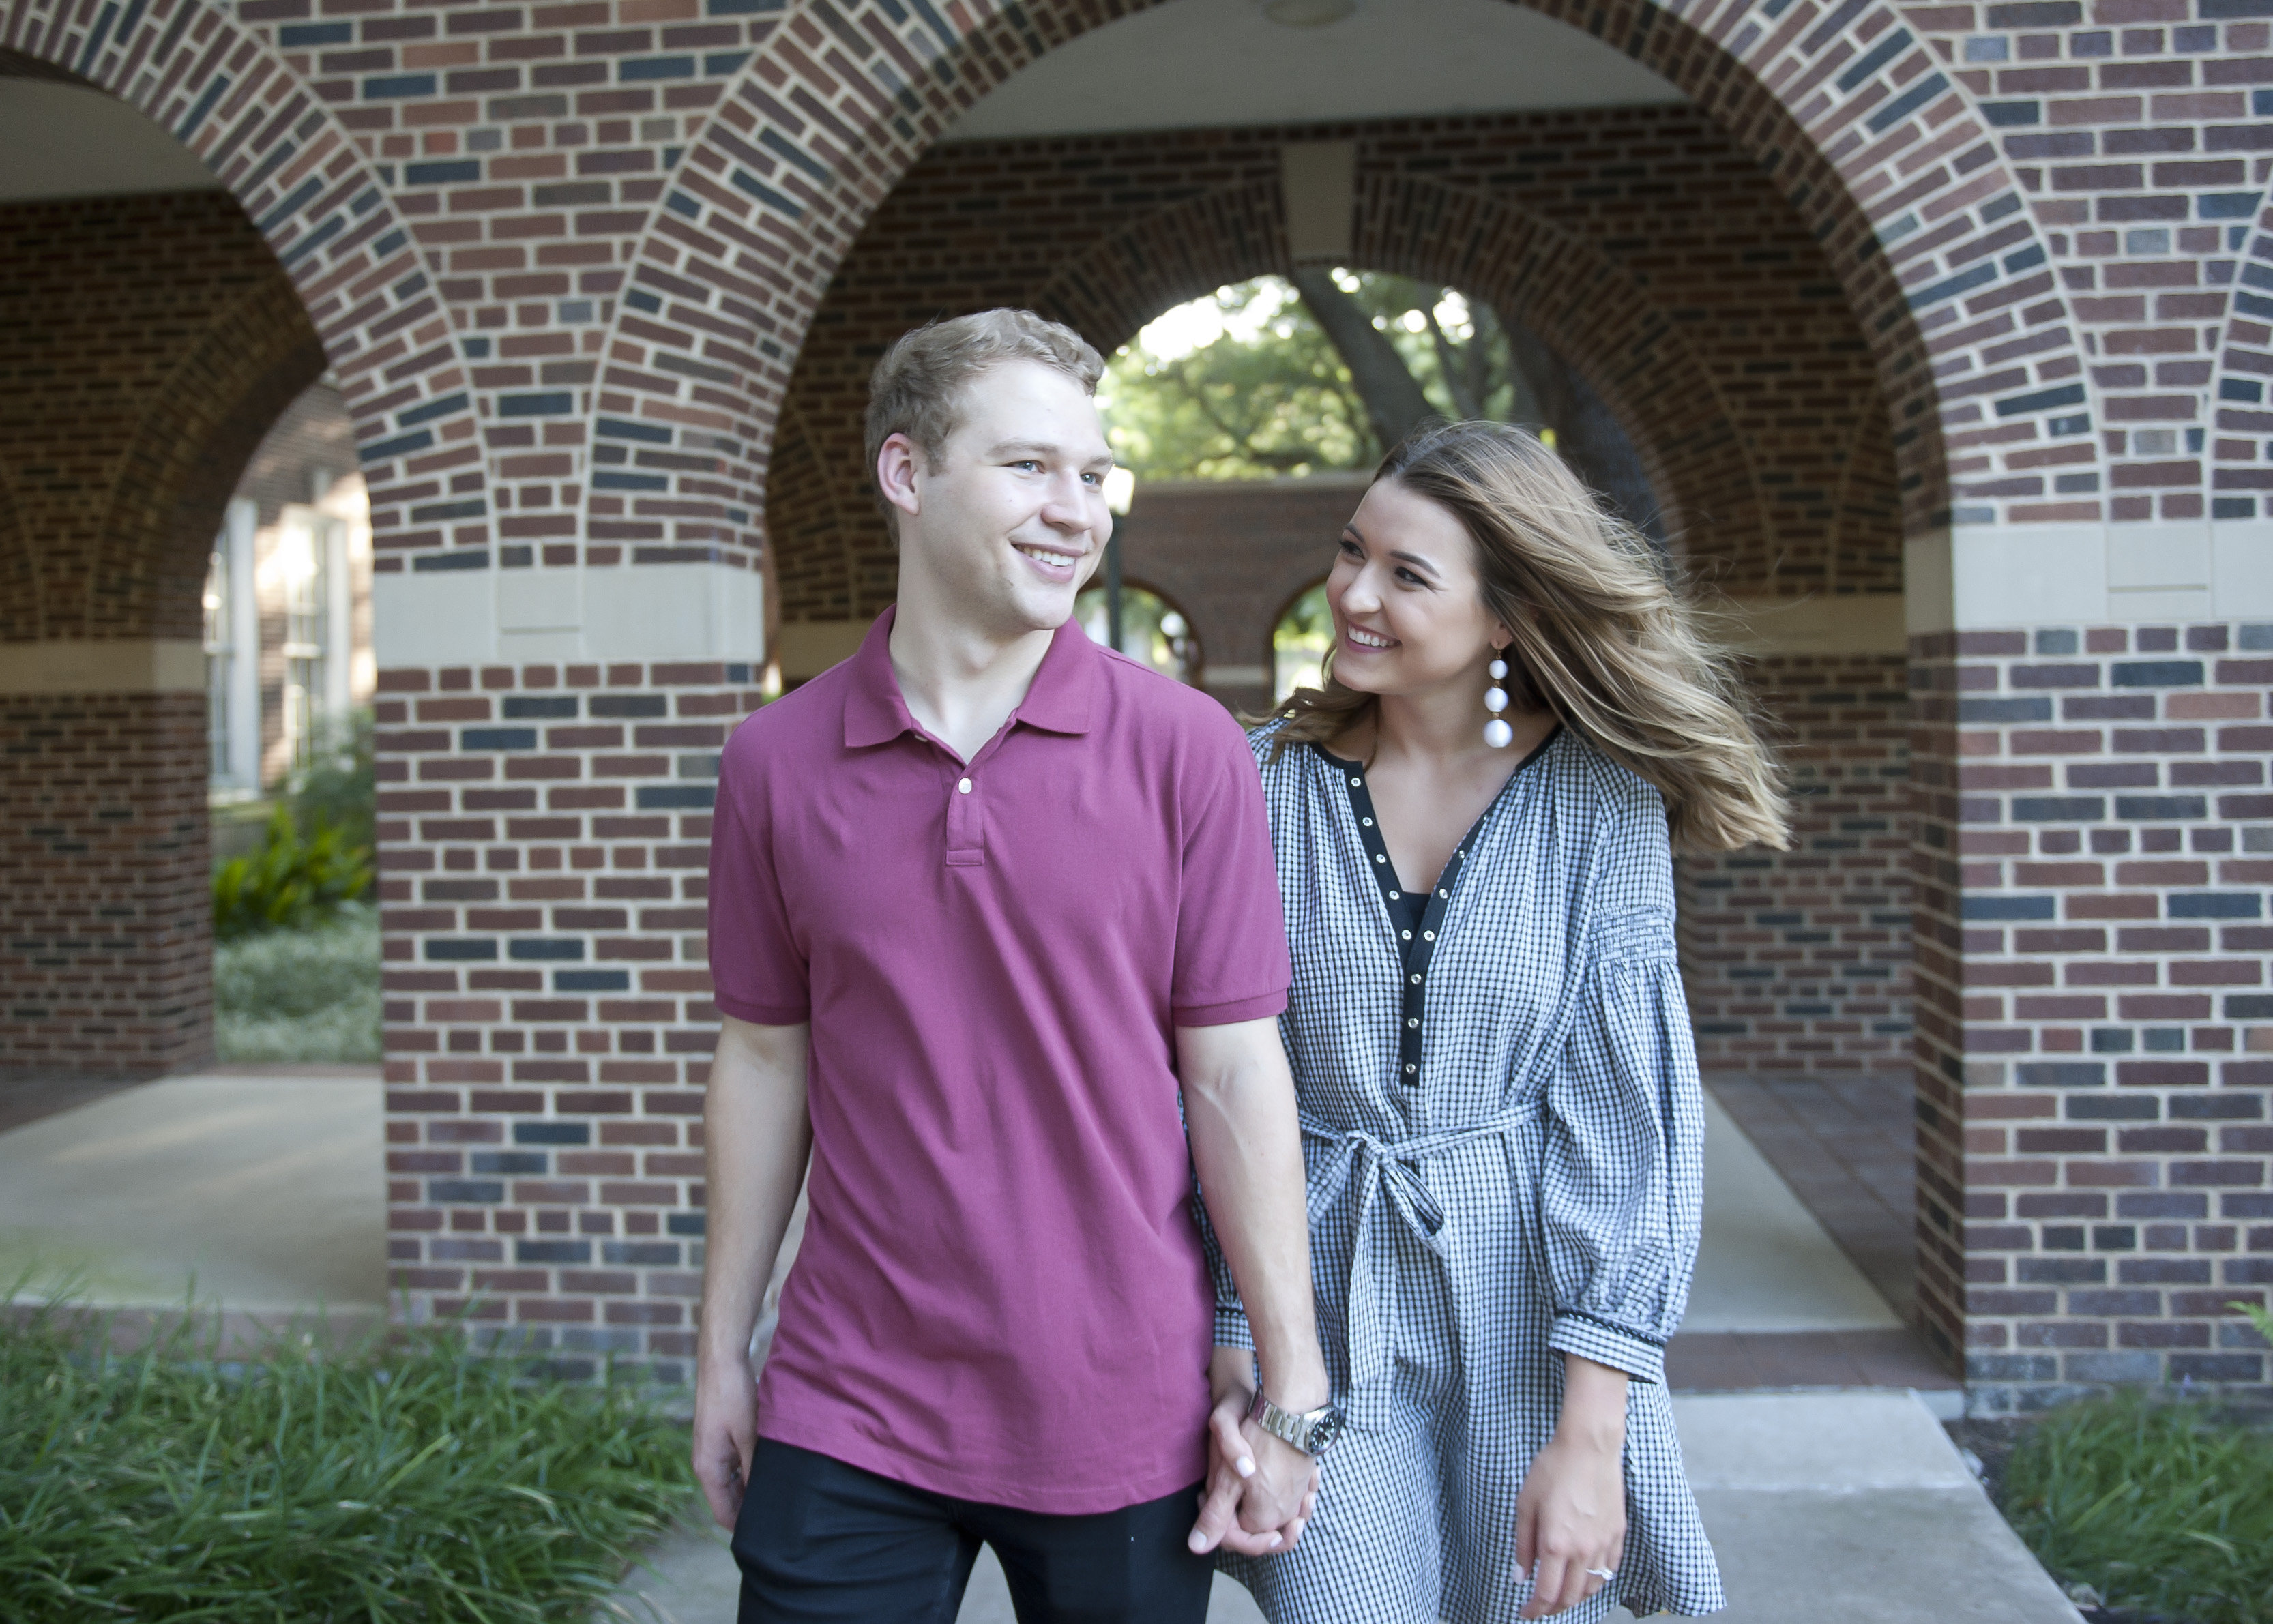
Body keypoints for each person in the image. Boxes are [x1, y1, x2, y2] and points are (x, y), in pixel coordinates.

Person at [692, 308, 1336, 1624]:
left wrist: (1291, 1389)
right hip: (849, 1390)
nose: (1078, 510)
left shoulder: (1187, 750)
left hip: (1120, 1402)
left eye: (1095, 476)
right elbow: (765, 1057)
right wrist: (720, 1351)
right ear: (907, 473)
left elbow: (1233, 1070)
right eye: (1031, 467)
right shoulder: (774, 762)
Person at [1199, 420, 1784, 1621]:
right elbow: (1206, 1082)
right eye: (1352, 550)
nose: (1355, 593)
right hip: (1317, 1306)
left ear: (1507, 616)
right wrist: (1234, 1330)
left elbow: (1629, 1125)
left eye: (1408, 575)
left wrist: (1594, 1435)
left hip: (1532, 1302)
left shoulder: (1600, 807)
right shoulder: (1256, 787)